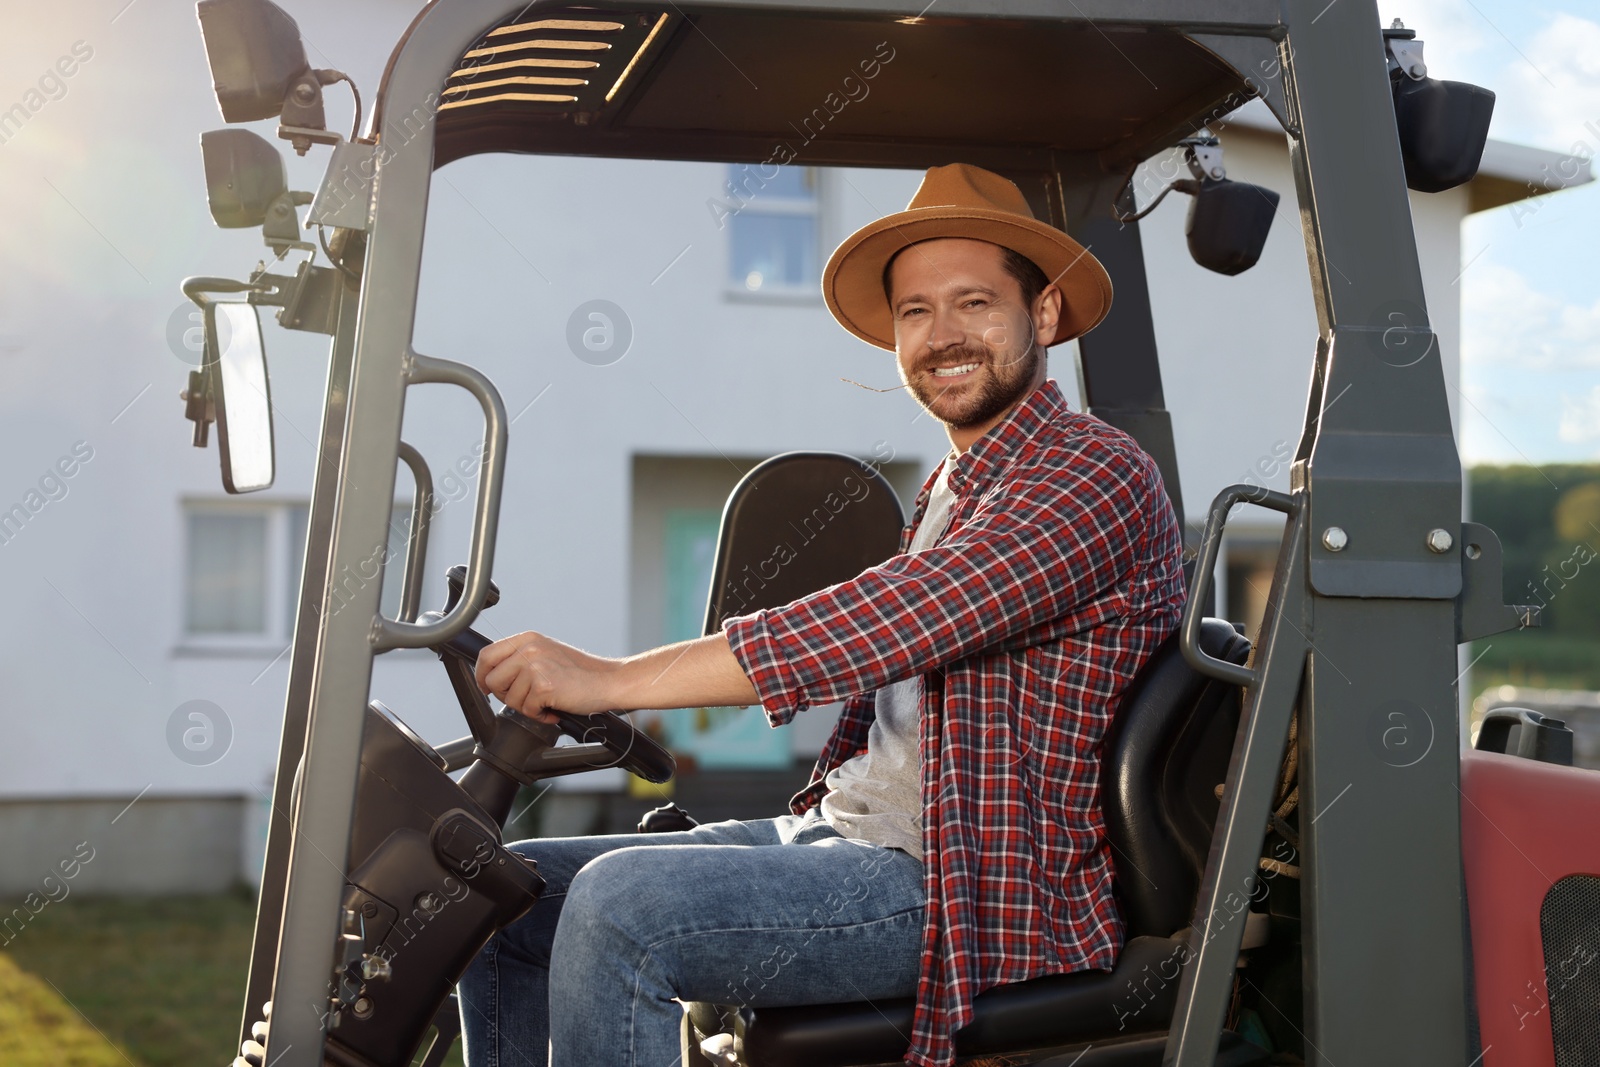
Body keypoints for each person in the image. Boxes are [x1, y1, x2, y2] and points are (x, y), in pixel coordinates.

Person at [458, 163, 1186, 1067]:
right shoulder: (954, 488)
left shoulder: (1093, 474)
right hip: (849, 833)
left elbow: (896, 616)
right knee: (497, 890)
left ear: (1038, 316)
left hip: (970, 881)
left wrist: (608, 678)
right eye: (916, 312)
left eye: (974, 303)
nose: (943, 335)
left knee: (620, 911)